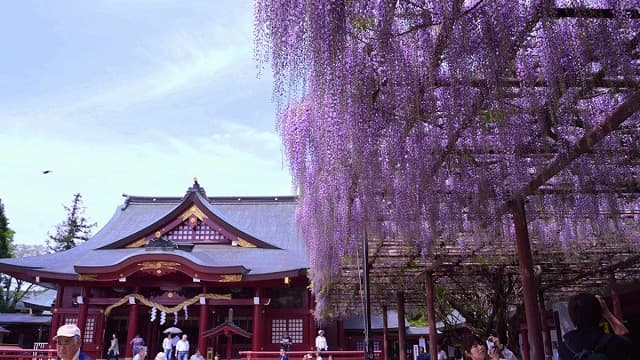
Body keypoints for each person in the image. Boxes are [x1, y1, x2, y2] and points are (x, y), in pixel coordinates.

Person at [557, 292, 631, 360]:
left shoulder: (563, 350)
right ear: (600, 314)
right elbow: (625, 336)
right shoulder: (614, 343)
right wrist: (607, 313)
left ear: (572, 318)